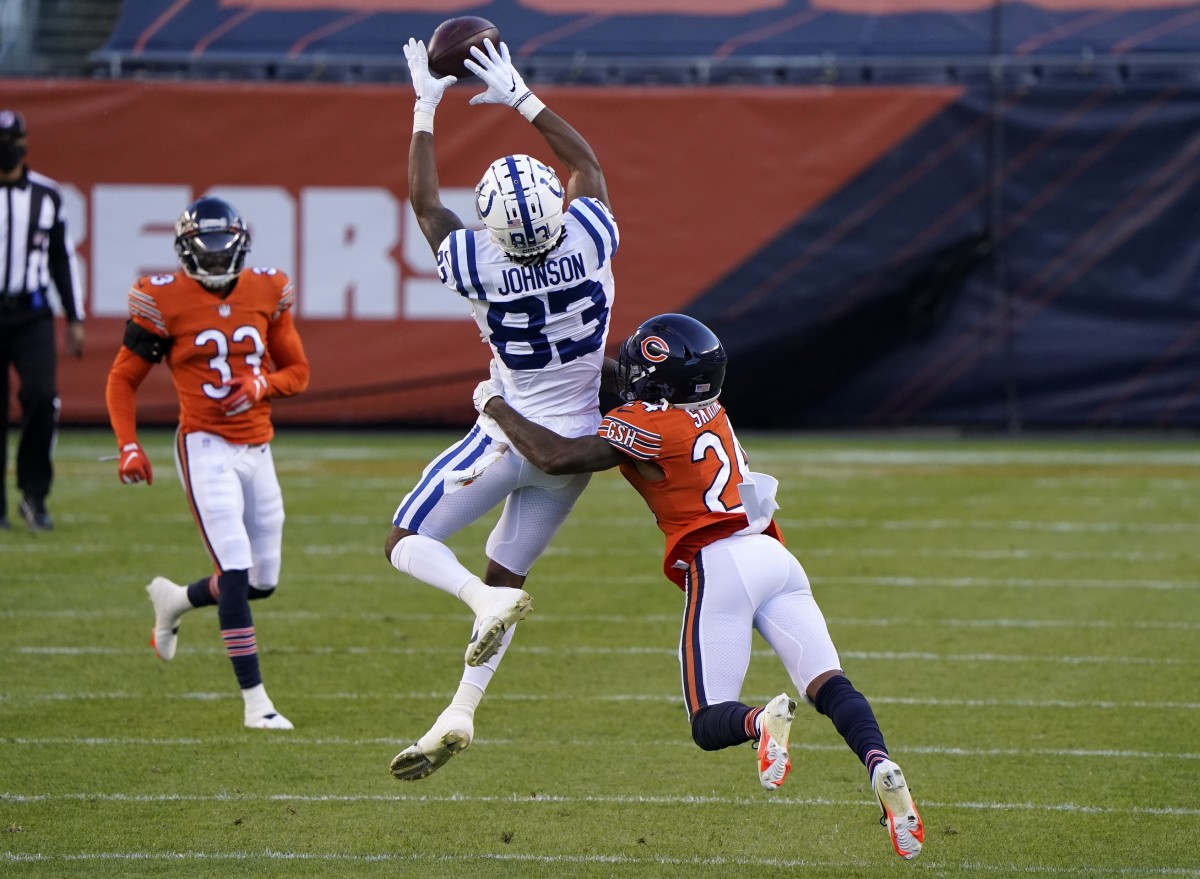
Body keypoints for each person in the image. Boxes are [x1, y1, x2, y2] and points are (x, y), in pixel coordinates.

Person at [474, 313, 925, 861]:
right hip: (776, 558)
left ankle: (763, 721)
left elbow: (555, 456)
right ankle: (879, 761)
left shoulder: (650, 424)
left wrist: (494, 402)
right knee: (829, 683)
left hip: (719, 564)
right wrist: (584, 361)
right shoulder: (712, 409)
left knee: (710, 722)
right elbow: (629, 381)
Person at [386, 37, 618, 780]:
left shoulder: (477, 261)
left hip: (509, 432)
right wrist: (523, 98)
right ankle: (461, 708)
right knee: (507, 576)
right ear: (557, 208)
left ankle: (473, 598)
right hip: (575, 445)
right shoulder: (589, 235)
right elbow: (589, 166)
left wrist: (427, 104)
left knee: (404, 540)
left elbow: (426, 204)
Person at [104, 196, 310, 731]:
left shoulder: (268, 289)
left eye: (225, 253)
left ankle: (174, 599)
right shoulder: (162, 299)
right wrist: (129, 444)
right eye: (208, 254)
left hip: (258, 448)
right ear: (185, 251)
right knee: (236, 574)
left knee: (262, 582)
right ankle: (256, 704)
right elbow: (123, 378)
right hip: (205, 447)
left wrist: (261, 382)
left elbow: (298, 373)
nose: (218, 263)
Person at [0, 109, 85, 531]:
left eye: (12, 137)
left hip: (31, 311)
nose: (7, 146)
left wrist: (75, 316)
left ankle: (34, 495)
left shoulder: (47, 195)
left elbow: (61, 258)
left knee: (41, 396)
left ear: (25, 143)